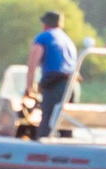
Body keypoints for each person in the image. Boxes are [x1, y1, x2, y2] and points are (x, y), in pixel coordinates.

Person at [26, 10, 80, 138]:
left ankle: (41, 146)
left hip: (56, 86)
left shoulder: (43, 38)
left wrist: (29, 88)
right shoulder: (68, 40)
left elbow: (32, 64)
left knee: (47, 123)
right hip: (74, 85)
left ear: (45, 24)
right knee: (66, 124)